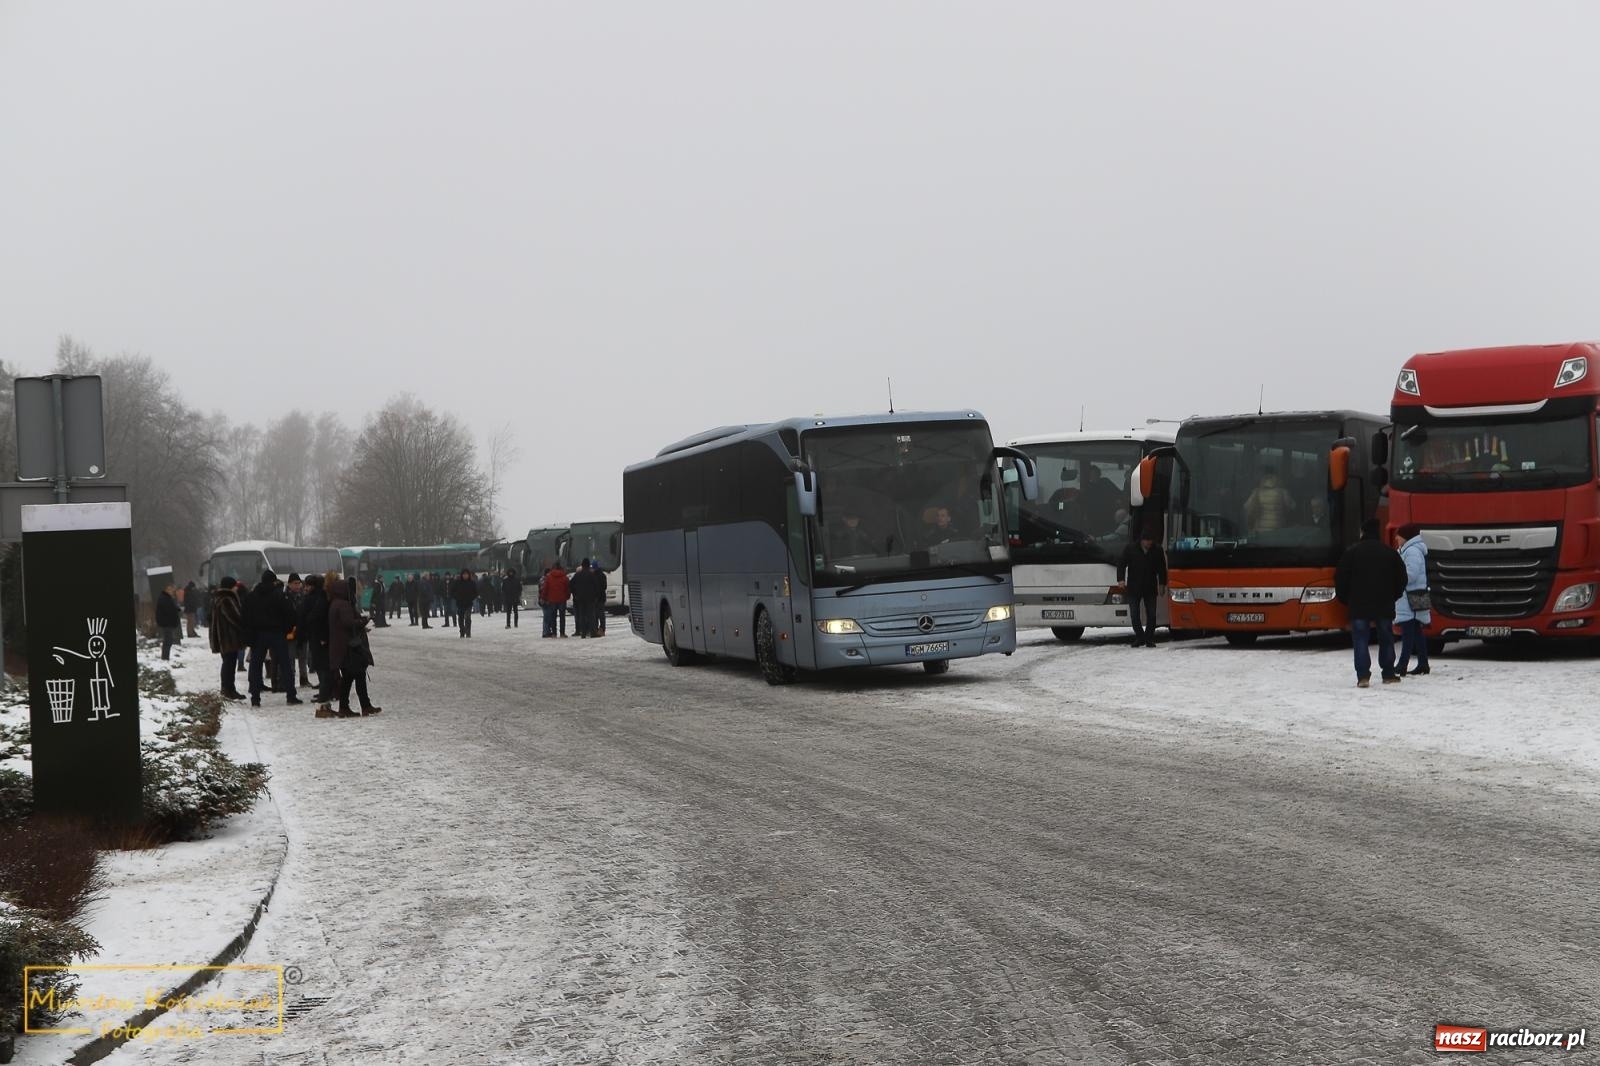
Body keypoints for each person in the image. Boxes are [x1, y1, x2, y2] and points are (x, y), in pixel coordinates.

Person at [1334, 518, 1408, 688]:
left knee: (1360, 639)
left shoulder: (1351, 553)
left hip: (1358, 604)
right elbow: (1402, 578)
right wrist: (1394, 596)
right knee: (1386, 637)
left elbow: (1340, 578)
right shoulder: (1389, 553)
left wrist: (1346, 599)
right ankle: (1388, 673)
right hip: (1384, 603)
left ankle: (1363, 676)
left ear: (1363, 532)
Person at [242, 569, 302, 706]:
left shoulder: (252, 596)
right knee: (285, 664)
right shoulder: (279, 595)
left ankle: (255, 697)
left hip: (258, 634)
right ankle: (291, 695)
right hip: (277, 633)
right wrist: (286, 629)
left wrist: (249, 634)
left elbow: (245, 617)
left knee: (256, 665)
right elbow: (290, 614)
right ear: (274, 581)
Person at [327, 578, 380, 717]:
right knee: (353, 677)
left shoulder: (335, 603)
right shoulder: (343, 605)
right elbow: (348, 623)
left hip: (343, 647)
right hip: (349, 648)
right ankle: (351, 707)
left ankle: (362, 705)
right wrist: (363, 620)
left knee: (354, 677)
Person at [1116, 527, 1167, 647]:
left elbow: (1162, 568)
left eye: (1151, 541)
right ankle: (1140, 637)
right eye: (1147, 541)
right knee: (1134, 614)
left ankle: (1149, 638)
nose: (1149, 543)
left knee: (1152, 614)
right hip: (1134, 587)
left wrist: (1162, 584)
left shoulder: (1157, 550)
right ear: (1141, 540)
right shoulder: (1131, 549)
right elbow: (1121, 564)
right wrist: (1121, 579)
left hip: (1150, 586)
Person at [1394, 524, 1432, 677]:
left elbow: (1411, 575)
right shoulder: (1408, 550)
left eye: (1399, 535)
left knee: (1408, 632)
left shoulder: (1412, 551)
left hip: (1409, 597)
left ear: (1406, 537)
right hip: (1413, 596)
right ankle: (1423, 663)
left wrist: (1394, 579)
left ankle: (1402, 665)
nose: (1396, 538)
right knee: (1416, 631)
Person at [209, 576, 246, 700]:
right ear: (231, 586)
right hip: (228, 637)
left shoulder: (219, 598)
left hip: (223, 637)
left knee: (228, 663)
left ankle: (228, 689)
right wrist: (244, 625)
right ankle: (228, 689)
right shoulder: (226, 599)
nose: (236, 588)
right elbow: (234, 617)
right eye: (235, 586)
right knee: (229, 664)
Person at [1244, 468, 1296, 533]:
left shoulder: (1256, 492)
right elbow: (1293, 506)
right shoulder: (1283, 492)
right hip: (1278, 530)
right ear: (1277, 478)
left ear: (1263, 479)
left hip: (1260, 531)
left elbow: (1246, 507)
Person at [286, 574, 312, 688]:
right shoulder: (285, 597)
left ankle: (304, 678)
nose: (297, 586)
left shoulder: (304, 596)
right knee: (290, 657)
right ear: (289, 584)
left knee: (303, 657)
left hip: (303, 631)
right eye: (295, 583)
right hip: (290, 632)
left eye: (298, 583)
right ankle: (291, 679)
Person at [542, 562, 570, 637]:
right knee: (562, 617)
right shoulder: (564, 577)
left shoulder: (549, 577)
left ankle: (554, 633)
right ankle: (562, 633)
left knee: (553, 617)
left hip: (552, 600)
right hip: (562, 599)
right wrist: (567, 596)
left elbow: (545, 588)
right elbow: (567, 588)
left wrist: (544, 597)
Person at [155, 583, 183, 660]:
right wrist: (176, 609)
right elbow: (169, 609)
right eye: (171, 589)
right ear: (167, 589)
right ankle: (165, 657)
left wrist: (177, 608)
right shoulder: (164, 598)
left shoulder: (167, 597)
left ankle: (165, 657)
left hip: (168, 622)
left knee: (168, 640)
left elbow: (172, 607)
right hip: (166, 623)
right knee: (168, 641)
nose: (173, 590)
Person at [451, 569, 478, 637]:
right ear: (461, 575)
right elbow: (452, 591)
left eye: (466, 574)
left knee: (468, 617)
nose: (465, 576)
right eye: (464, 574)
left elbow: (475, 592)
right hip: (460, 603)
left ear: (469, 575)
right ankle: (462, 631)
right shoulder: (457, 583)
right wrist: (457, 597)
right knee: (461, 618)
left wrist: (471, 598)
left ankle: (468, 632)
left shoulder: (472, 583)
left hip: (468, 603)